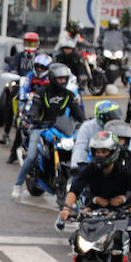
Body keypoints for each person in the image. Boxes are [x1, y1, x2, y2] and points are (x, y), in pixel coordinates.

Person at [59, 130, 131, 262]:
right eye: (97, 151)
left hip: (121, 213)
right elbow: (75, 189)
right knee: (77, 240)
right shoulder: (91, 169)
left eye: (104, 151)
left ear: (113, 152)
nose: (100, 155)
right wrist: (66, 209)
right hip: (95, 212)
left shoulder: (124, 171)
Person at [12, 62, 85, 199]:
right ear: (52, 78)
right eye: (60, 79)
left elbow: (77, 112)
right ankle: (18, 184)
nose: (62, 81)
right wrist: (35, 117)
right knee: (32, 156)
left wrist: (84, 122)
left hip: (61, 129)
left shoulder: (68, 95)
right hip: (41, 128)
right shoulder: (42, 92)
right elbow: (35, 107)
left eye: (64, 78)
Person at [72, 99, 122, 167]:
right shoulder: (87, 127)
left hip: (115, 164)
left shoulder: (119, 126)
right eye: (111, 116)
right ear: (101, 117)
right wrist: (76, 167)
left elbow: (129, 147)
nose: (115, 120)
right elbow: (80, 148)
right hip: (94, 165)